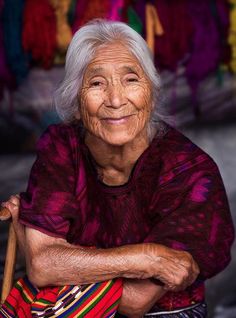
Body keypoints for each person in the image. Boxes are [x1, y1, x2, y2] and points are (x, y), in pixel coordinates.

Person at [0, 19, 234, 318]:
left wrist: (51, 254)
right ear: (76, 96)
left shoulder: (190, 172)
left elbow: (135, 300)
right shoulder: (63, 146)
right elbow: (43, 267)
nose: (115, 100)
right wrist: (145, 256)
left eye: (131, 80)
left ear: (151, 91)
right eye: (97, 83)